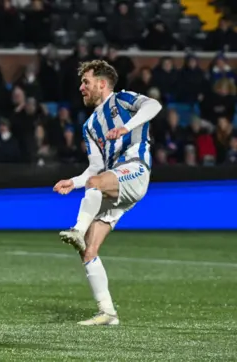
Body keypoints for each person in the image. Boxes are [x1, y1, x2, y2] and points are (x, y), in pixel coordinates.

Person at [53, 60, 162, 326]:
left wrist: (127, 127)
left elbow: (154, 105)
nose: (81, 88)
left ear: (102, 84)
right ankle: (107, 312)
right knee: (88, 249)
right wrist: (74, 182)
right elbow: (95, 170)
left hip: (135, 170)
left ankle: (77, 228)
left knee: (95, 190)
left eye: (86, 82)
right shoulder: (90, 126)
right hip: (112, 182)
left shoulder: (123, 100)